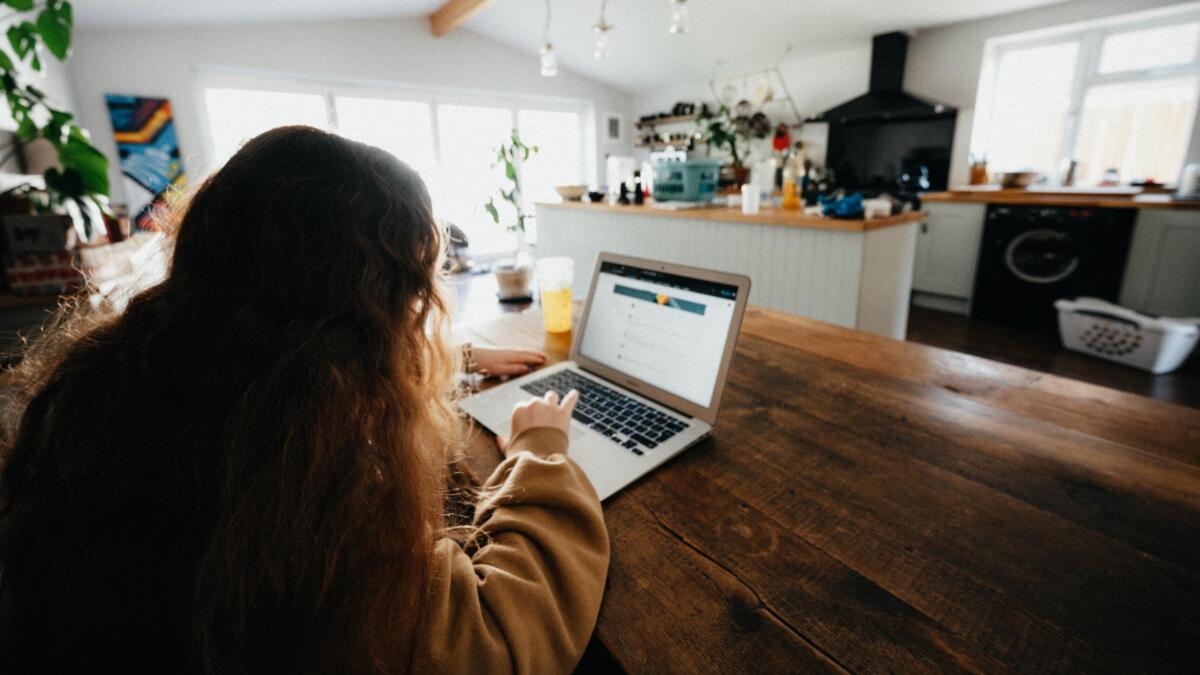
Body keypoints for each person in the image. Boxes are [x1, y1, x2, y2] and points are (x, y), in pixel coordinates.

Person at [0, 126, 609, 674]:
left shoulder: (119, 384)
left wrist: (459, 361)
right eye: (410, 289)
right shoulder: (303, 486)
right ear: (372, 310)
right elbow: (496, 640)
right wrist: (540, 450)